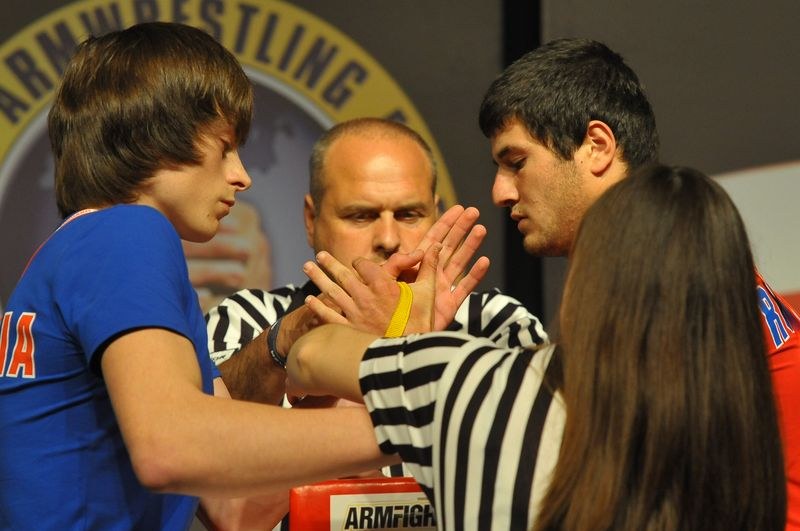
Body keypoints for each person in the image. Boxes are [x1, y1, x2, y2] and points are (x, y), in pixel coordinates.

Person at [0, 22, 439, 530]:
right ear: (154, 138)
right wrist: (421, 417)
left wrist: (346, 382)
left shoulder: (83, 247)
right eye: (225, 146)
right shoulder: (125, 231)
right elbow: (171, 447)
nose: (242, 175)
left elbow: (237, 511)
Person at [287, 164, 787, 530]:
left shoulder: (470, 381)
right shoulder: (749, 445)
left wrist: (404, 336)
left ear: (587, 282)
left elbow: (310, 355)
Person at [478, 37, 800, 529]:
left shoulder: (664, 273)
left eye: (516, 162)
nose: (500, 192)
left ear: (597, 146)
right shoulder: (671, 253)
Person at [206, 117, 547, 406]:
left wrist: (413, 345)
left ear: (436, 214)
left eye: (409, 214)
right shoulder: (248, 318)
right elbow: (207, 422)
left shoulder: (497, 322)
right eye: (361, 216)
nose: (388, 239)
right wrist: (294, 334)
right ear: (312, 220)